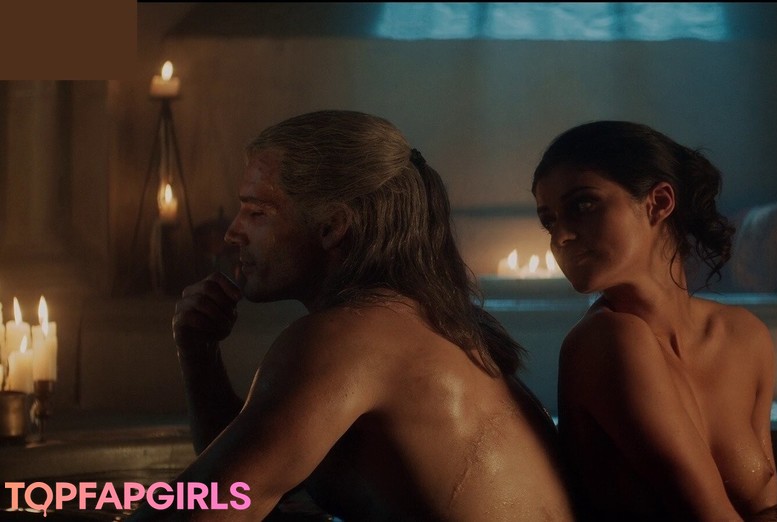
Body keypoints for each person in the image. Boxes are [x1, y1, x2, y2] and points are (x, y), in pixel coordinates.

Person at [134, 110, 575, 520]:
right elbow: (243, 477)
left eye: (257, 211)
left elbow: (207, 509)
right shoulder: (425, 320)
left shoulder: (349, 339)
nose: (233, 232)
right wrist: (199, 354)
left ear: (332, 226)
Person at [532, 121, 777, 521]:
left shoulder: (745, 337)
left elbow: (767, 509)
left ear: (658, 203)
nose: (560, 237)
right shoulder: (606, 340)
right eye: (549, 220)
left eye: (582, 205)